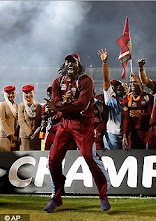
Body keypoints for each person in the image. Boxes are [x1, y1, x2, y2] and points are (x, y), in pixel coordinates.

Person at [43, 52, 111, 212]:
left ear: (78, 65)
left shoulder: (86, 81)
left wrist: (60, 106)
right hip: (65, 124)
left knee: (89, 157)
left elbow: (82, 104)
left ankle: (103, 195)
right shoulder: (57, 82)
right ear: (64, 66)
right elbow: (55, 101)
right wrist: (61, 104)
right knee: (52, 159)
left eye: (73, 62)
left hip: (83, 124)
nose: (70, 65)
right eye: (67, 62)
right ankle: (56, 196)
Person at [98, 49, 125, 150]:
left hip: (125, 134)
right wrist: (104, 63)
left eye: (119, 85)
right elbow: (105, 79)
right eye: (115, 86)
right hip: (111, 134)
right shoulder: (109, 97)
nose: (118, 87)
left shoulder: (127, 99)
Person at [122, 75, 153, 149]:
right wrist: (124, 135)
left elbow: (152, 115)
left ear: (141, 83)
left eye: (135, 82)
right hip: (133, 133)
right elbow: (126, 119)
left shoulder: (148, 97)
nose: (132, 84)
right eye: (131, 82)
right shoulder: (126, 99)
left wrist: (141, 115)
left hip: (146, 132)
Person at [18, 84, 42, 151]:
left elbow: (41, 121)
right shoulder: (21, 106)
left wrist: (36, 132)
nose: (29, 95)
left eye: (30, 92)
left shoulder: (38, 106)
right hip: (25, 137)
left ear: (34, 93)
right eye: (26, 93)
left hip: (36, 137)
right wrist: (30, 133)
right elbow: (21, 121)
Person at [0, 85, 19, 151]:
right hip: (5, 136)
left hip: (14, 137)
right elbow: (2, 121)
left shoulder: (16, 106)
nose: (11, 95)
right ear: (5, 95)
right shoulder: (2, 105)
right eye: (9, 93)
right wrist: (10, 135)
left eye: (12, 93)